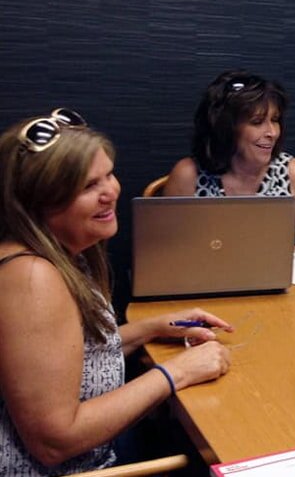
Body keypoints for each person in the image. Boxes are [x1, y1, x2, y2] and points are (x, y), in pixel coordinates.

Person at [0, 109, 233, 475]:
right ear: (39, 201)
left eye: (108, 174)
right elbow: (54, 442)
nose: (110, 192)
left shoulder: (59, 251)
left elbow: (69, 358)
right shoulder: (31, 278)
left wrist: (151, 328)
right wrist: (177, 373)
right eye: (88, 186)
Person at [163, 70, 295, 245]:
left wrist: (288, 254)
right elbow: (164, 251)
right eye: (257, 122)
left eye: (275, 120)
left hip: (273, 264)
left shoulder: (294, 173)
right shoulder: (188, 175)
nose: (272, 132)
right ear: (225, 128)